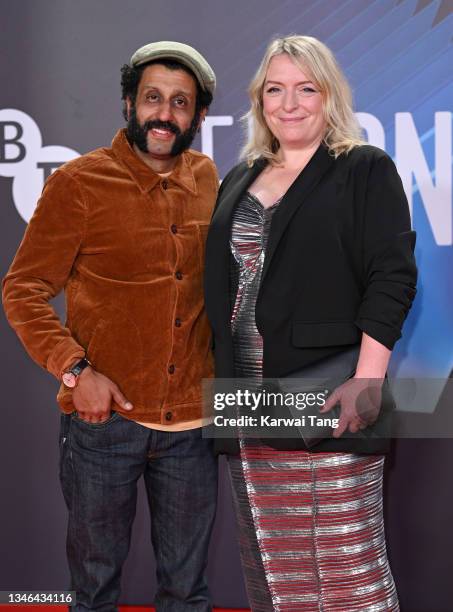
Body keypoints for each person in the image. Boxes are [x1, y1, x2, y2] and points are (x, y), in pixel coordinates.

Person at [3, 41, 219, 611]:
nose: (164, 114)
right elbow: (21, 289)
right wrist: (76, 371)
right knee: (94, 589)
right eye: (153, 98)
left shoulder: (211, 178)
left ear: (198, 117)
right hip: (104, 426)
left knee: (187, 590)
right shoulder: (78, 184)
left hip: (193, 428)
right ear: (128, 103)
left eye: (180, 103)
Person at [204, 35, 417, 611]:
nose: (289, 103)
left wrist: (368, 379)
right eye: (275, 89)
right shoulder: (239, 177)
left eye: (306, 89)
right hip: (246, 399)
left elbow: (392, 277)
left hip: (330, 392)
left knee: (347, 566)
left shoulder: (363, 169)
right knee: (275, 566)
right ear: (259, 101)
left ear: (329, 97)